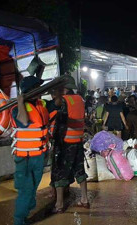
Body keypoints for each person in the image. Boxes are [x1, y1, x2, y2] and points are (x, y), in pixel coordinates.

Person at [10, 76, 48, 225]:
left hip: (38, 156)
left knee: (33, 188)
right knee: (26, 190)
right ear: (29, 91)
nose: (39, 91)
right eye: (36, 88)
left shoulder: (40, 106)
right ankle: (19, 220)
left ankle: (26, 209)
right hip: (24, 159)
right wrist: (20, 101)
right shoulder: (16, 109)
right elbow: (24, 122)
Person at [51, 75, 89, 213]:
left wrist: (54, 139)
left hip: (65, 143)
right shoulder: (80, 99)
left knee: (60, 171)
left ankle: (59, 205)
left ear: (64, 88)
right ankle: (84, 199)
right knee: (80, 169)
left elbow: (60, 123)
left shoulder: (65, 101)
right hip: (78, 141)